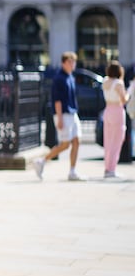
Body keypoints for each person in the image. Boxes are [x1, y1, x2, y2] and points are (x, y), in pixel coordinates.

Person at [32, 51, 84, 181]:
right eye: (70, 62)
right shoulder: (59, 78)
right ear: (63, 63)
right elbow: (57, 100)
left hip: (72, 113)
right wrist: (59, 118)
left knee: (77, 140)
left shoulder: (70, 77)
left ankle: (72, 171)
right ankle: (41, 161)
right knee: (65, 144)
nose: (73, 64)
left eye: (74, 62)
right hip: (63, 114)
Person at [102, 60, 128, 178]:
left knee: (108, 141)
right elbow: (124, 100)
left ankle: (107, 167)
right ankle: (111, 169)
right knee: (116, 141)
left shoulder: (105, 81)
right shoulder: (119, 83)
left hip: (107, 110)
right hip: (117, 110)